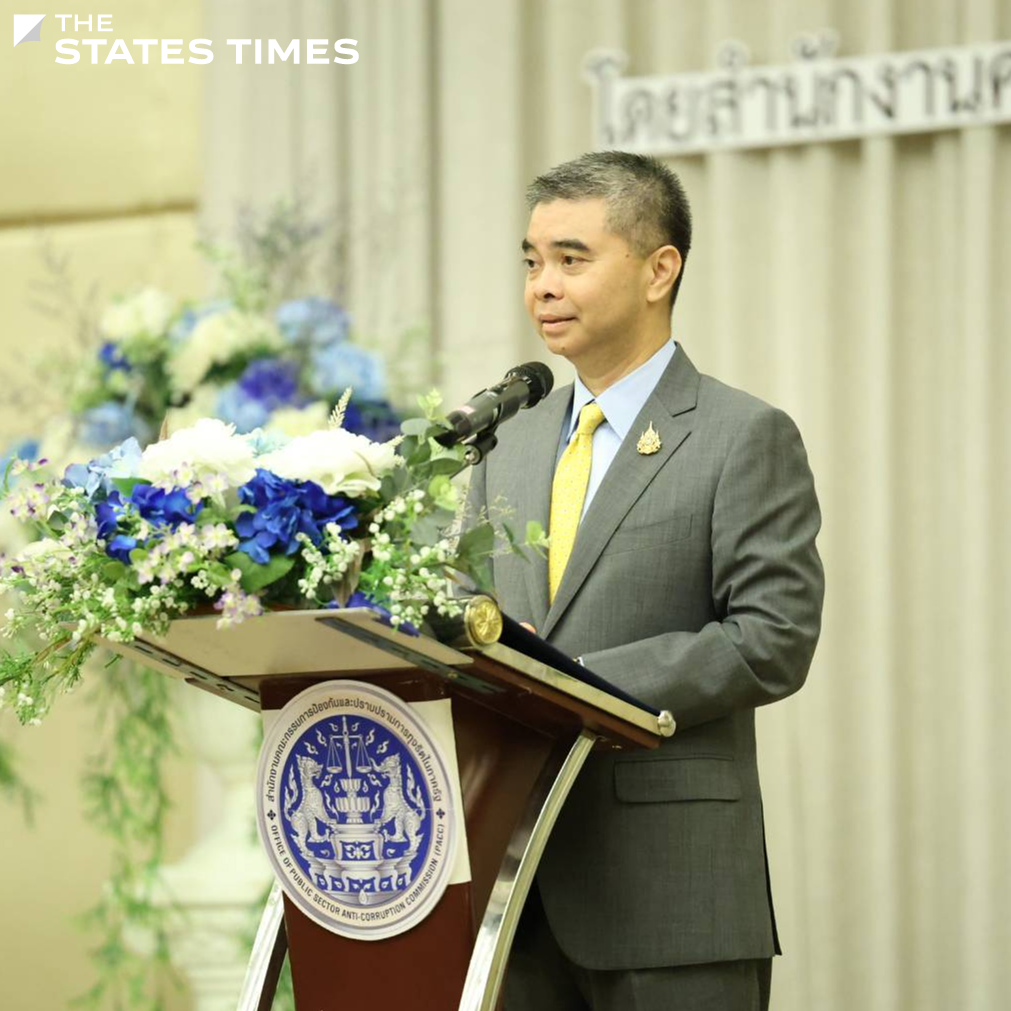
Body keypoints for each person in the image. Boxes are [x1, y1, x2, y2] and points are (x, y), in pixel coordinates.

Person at [464, 151, 825, 1010]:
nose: (542, 286)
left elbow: (771, 638)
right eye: (531, 261)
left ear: (659, 269)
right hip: (513, 892)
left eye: (571, 258)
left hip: (671, 894)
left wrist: (568, 683)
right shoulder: (507, 440)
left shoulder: (740, 435)